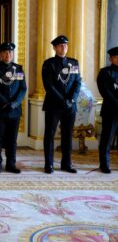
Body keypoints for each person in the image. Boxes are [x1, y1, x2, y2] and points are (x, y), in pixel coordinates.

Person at [42, 35, 82, 174]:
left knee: (67, 135)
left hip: (70, 106)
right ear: (54, 47)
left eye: (65, 45)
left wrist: (71, 100)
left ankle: (66, 164)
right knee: (50, 135)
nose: (63, 47)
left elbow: (77, 83)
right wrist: (63, 100)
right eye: (60, 45)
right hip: (54, 105)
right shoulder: (49, 64)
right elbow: (49, 86)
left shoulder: (74, 63)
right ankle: (49, 164)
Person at [0, 42, 27, 174]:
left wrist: (15, 103)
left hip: (15, 110)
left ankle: (11, 163)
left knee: (12, 139)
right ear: (0, 54)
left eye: (10, 52)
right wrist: (6, 103)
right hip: (0, 109)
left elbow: (23, 89)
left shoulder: (19, 69)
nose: (8, 54)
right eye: (5, 52)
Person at [96, 46, 118, 174]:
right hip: (111, 110)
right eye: (116, 57)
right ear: (111, 58)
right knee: (107, 139)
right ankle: (104, 164)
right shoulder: (105, 72)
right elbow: (105, 91)